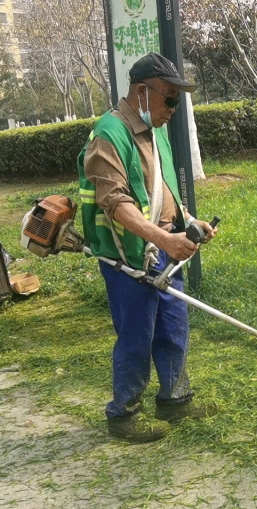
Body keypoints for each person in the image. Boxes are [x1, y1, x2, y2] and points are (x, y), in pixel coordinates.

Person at [77, 52, 216, 443]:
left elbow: (163, 191)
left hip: (165, 250)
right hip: (129, 257)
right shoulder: (109, 134)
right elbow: (116, 202)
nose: (174, 108)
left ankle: (175, 399)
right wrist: (163, 238)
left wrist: (188, 224)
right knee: (137, 335)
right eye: (170, 98)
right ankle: (123, 414)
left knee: (173, 328)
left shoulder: (155, 132)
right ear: (143, 91)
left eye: (178, 100)